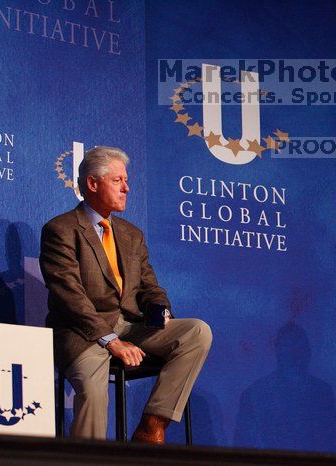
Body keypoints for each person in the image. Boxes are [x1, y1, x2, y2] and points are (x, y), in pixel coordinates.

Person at [40, 146, 212, 444]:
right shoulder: (61, 230)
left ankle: (151, 426)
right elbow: (70, 296)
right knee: (93, 393)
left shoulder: (131, 234)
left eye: (126, 180)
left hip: (130, 326)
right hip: (82, 332)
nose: (127, 188)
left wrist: (160, 311)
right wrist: (112, 340)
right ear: (93, 184)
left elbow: (149, 286)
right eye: (118, 180)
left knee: (196, 331)